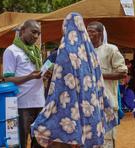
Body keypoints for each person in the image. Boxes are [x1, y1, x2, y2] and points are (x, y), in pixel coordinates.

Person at [31, 12, 117, 148]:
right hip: (90, 112)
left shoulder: (65, 49)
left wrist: (47, 114)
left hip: (71, 113)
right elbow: (98, 83)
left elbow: (61, 87)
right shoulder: (91, 52)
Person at [3, 19, 45, 148]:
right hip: (22, 104)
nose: (36, 36)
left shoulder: (36, 52)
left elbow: (37, 74)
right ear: (22, 31)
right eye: (33, 32)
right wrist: (29, 77)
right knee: (21, 140)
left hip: (39, 102)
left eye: (38, 33)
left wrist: (45, 74)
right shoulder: (11, 51)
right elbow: (8, 79)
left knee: (39, 141)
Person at [87, 21, 128, 148]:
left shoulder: (110, 49)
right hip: (88, 104)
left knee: (107, 140)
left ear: (100, 33)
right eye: (87, 31)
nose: (88, 34)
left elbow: (123, 72)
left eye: (92, 31)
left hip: (107, 103)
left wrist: (99, 75)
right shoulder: (84, 52)